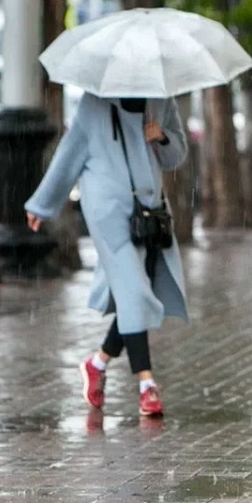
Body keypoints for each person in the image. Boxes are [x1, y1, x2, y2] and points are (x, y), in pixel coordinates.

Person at [25, 94, 189, 418]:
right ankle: (146, 385)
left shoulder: (161, 101)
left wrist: (162, 136)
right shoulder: (93, 105)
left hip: (149, 212)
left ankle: (97, 362)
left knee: (142, 293)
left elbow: (176, 155)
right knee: (133, 290)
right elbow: (68, 156)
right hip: (108, 213)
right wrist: (41, 205)